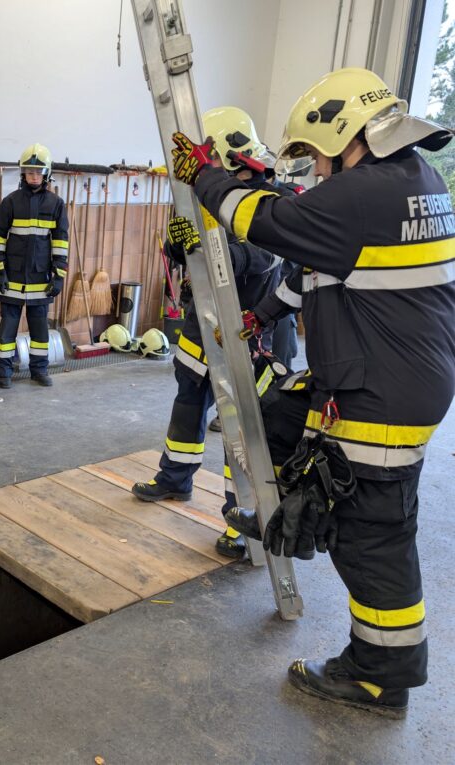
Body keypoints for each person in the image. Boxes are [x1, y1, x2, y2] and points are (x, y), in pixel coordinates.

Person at [170, 67, 455, 717]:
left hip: (383, 396)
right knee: (274, 417)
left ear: (346, 132)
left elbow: (258, 219)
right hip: (390, 375)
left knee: (372, 538)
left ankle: (379, 675)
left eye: (319, 155)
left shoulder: (362, 194)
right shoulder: (415, 180)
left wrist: (201, 176)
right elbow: (313, 276)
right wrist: (263, 315)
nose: (318, 169)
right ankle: (280, 516)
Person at [131, 106, 290, 560]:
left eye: (211, 160)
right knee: (188, 403)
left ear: (233, 155)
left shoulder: (273, 201)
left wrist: (206, 248)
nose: (206, 169)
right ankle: (174, 478)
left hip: (249, 334)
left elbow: (257, 258)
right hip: (201, 326)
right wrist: (180, 241)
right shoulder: (205, 193)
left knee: (243, 432)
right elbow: (180, 250)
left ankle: (242, 520)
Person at [0, 143, 69, 388]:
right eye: (29, 172)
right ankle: (3, 373)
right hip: (11, 278)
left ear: (46, 173)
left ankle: (39, 371)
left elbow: (61, 242)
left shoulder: (56, 204)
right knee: (7, 330)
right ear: (23, 173)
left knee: (40, 331)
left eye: (38, 172)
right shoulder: (11, 202)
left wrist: (58, 276)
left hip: (40, 280)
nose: (33, 176)